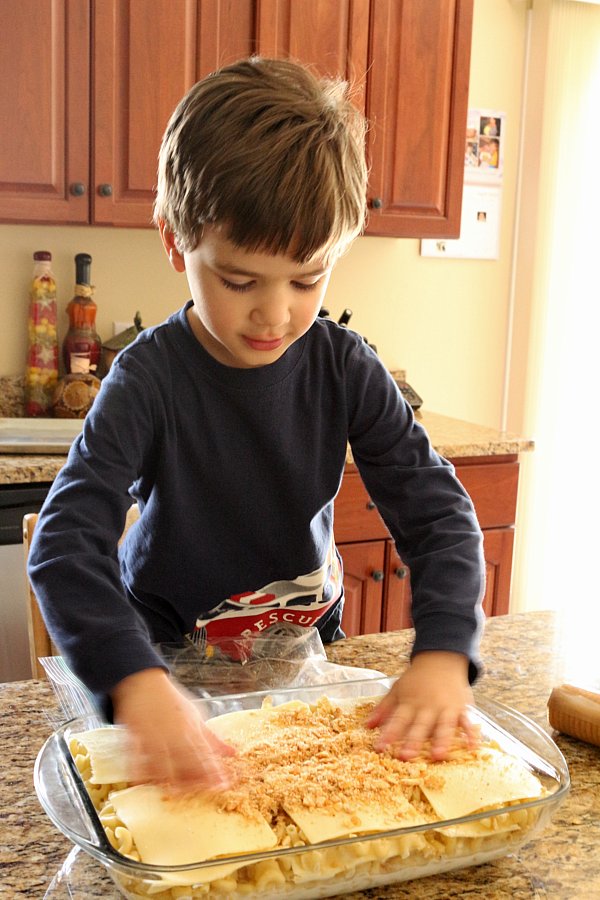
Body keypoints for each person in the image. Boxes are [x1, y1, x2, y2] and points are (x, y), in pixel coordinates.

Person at [28, 57, 485, 792]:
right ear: (176, 242)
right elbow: (63, 546)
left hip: (304, 662)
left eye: (308, 279)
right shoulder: (147, 380)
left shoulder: (345, 367)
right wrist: (135, 685)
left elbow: (439, 516)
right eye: (239, 281)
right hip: (164, 671)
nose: (275, 314)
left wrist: (443, 651)